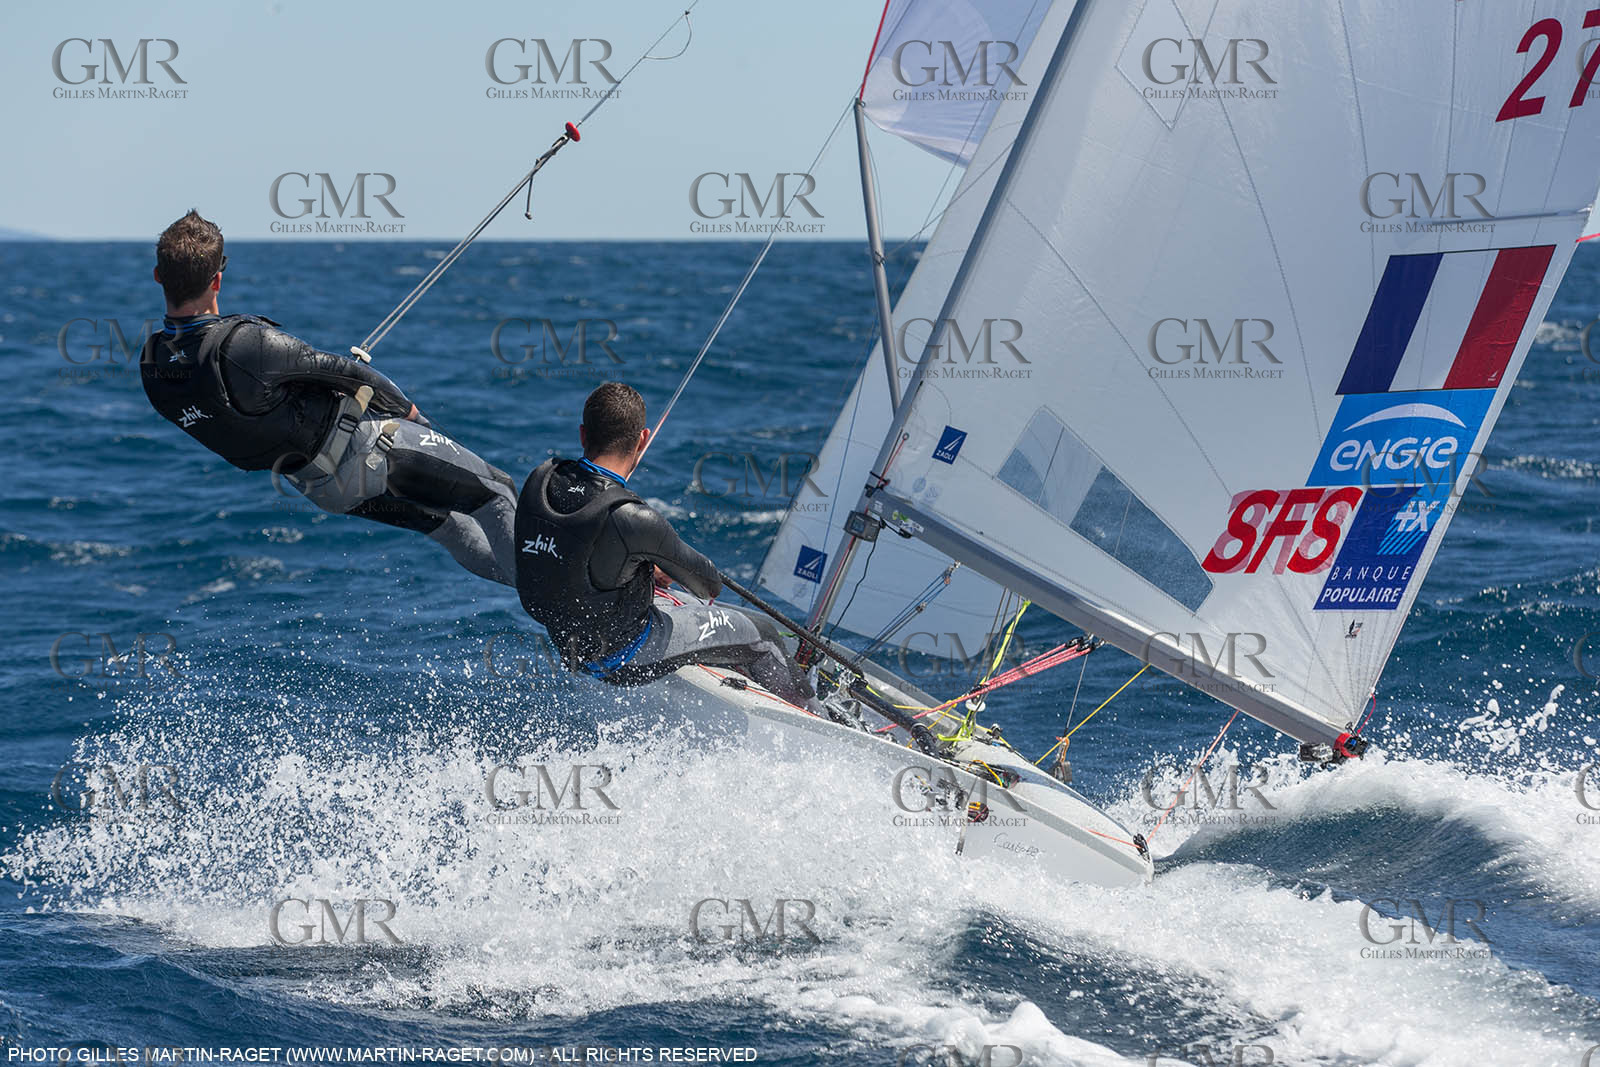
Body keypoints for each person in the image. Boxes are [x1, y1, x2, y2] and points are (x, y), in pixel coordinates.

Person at [140, 209, 517, 586]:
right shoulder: (243, 344)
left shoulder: (153, 366)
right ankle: (565, 608)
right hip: (370, 452)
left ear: (158, 277)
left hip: (323, 488)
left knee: (452, 529)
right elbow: (348, 372)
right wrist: (412, 417)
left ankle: (555, 601)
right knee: (496, 492)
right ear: (217, 280)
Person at [514, 381, 822, 710]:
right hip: (627, 657)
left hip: (570, 644)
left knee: (684, 606)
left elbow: (578, 556)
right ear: (642, 440)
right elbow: (708, 585)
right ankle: (821, 723)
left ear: (582, 434)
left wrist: (639, 565)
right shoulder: (634, 519)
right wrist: (653, 560)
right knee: (762, 635)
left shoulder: (541, 480)